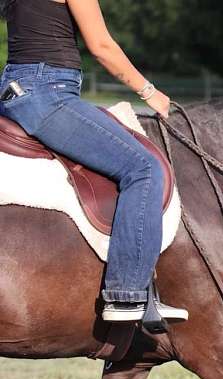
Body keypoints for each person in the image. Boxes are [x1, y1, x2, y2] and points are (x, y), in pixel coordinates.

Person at [0, 0, 188, 322]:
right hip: (49, 93)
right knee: (143, 169)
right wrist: (149, 92)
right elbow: (101, 46)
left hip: (17, 87)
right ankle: (127, 295)